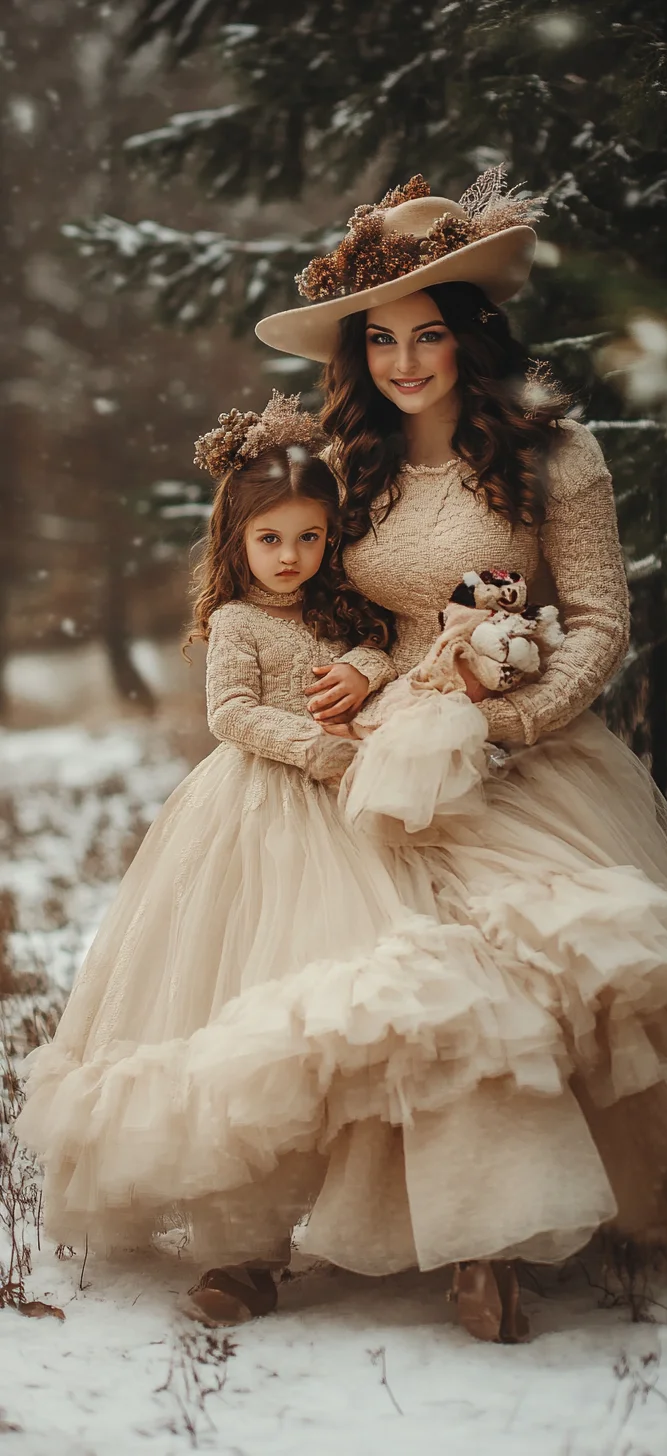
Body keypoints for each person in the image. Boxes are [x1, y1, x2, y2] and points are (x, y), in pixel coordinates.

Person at [253, 168, 667, 1342]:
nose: (407, 362)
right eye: (383, 341)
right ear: (359, 355)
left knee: (518, 964)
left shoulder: (556, 453)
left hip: (518, 735)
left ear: (470, 334)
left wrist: (505, 719)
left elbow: (601, 621)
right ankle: (336, 1219)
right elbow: (325, 594)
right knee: (384, 979)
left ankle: (496, 1240)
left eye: (429, 334)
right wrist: (351, 665)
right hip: (376, 741)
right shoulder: (348, 462)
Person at [14, 392, 416, 1325]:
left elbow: (385, 656)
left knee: (337, 1002)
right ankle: (243, 1247)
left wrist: (373, 671)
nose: (291, 558)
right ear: (235, 541)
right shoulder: (237, 621)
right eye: (271, 539)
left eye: (310, 538)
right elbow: (231, 715)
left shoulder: (338, 613)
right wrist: (317, 745)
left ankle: (370, 1206)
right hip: (254, 813)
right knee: (235, 999)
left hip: (346, 824)